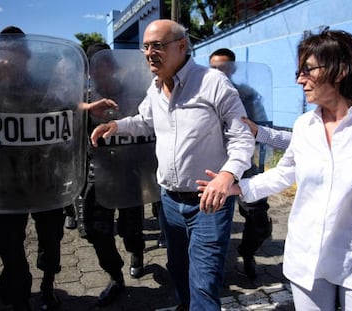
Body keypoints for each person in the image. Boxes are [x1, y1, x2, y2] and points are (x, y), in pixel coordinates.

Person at [91, 19, 254, 311]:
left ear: (181, 46)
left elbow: (242, 136)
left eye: (157, 45)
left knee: (204, 283)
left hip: (208, 202)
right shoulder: (154, 88)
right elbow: (145, 121)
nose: (149, 52)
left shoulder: (213, 82)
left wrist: (228, 175)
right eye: (146, 46)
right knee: (177, 269)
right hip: (169, 201)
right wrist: (116, 125)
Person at [198, 28, 352, 310]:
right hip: (306, 258)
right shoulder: (304, 125)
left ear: (340, 71)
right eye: (298, 71)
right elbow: (285, 172)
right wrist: (239, 188)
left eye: (308, 70)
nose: (300, 79)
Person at [0, 26, 84, 311]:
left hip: (45, 178)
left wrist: (85, 107)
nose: (12, 58)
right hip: (7, 183)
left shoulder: (42, 83)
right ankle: (18, 293)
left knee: (51, 238)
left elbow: (66, 110)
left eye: (17, 51)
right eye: (6, 52)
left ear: (27, 55)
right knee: (7, 243)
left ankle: (47, 286)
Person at [80, 43, 147, 307]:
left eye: (105, 64)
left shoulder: (132, 91)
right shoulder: (83, 96)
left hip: (130, 169)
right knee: (97, 230)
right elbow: (56, 106)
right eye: (95, 66)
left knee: (131, 225)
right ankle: (115, 275)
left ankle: (136, 252)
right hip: (98, 172)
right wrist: (85, 108)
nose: (101, 72)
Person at [209, 48, 272, 280]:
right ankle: (211, 269)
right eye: (214, 68)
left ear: (233, 68)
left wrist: (259, 159)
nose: (219, 72)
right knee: (211, 219)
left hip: (244, 163)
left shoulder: (248, 94)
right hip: (213, 164)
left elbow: (260, 125)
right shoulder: (201, 93)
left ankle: (247, 253)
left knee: (258, 219)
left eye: (223, 67)